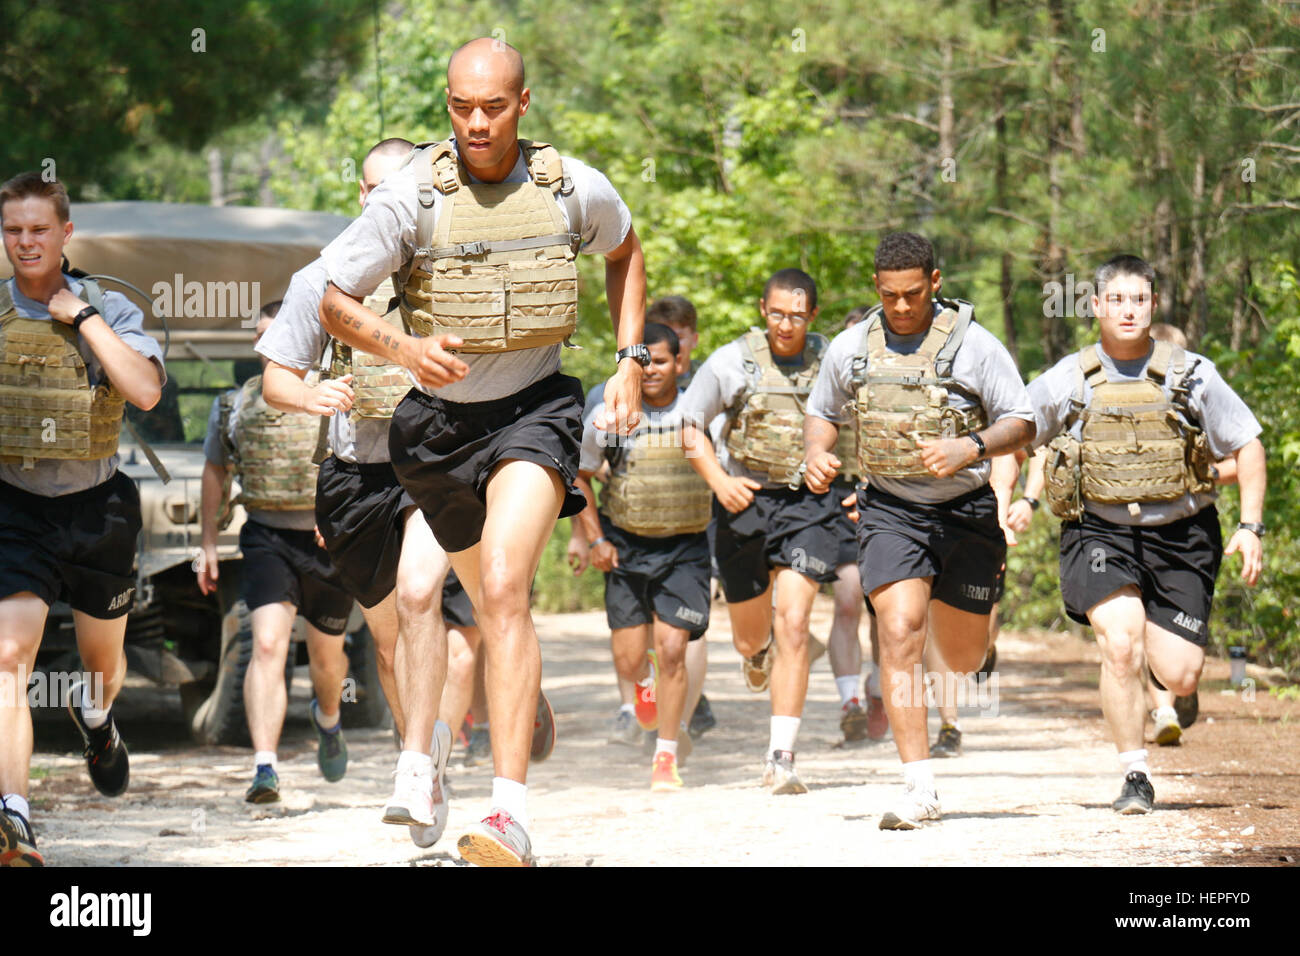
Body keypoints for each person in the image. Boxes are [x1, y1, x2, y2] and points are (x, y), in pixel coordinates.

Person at [318, 38, 645, 866]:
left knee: (501, 586)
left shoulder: (571, 189)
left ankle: (507, 813)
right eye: (461, 106)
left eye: (493, 106)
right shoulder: (409, 197)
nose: (475, 122)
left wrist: (630, 361)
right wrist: (401, 352)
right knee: (426, 593)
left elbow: (627, 249)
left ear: (523, 105)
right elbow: (331, 298)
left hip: (533, 411)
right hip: (435, 431)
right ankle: (429, 760)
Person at [256, 137, 459, 846]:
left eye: (396, 189)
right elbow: (276, 376)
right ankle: (424, 755)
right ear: (361, 197)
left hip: (433, 467)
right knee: (387, 635)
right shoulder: (323, 277)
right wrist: (310, 395)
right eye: (373, 190)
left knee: (420, 597)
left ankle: (420, 763)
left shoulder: (447, 265)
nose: (382, 201)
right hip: (354, 479)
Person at [804, 232, 1035, 830]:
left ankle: (967, 640)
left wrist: (971, 445)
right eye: (889, 295)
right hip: (890, 509)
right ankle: (919, 785)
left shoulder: (976, 347)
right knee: (900, 629)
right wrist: (816, 455)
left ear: (935, 281)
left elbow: (1024, 421)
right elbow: (822, 414)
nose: (901, 306)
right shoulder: (852, 348)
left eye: (912, 294)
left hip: (966, 511)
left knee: (961, 658)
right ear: (876, 289)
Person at [1027, 260, 1264, 813]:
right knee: (1120, 643)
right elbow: (1019, 425)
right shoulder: (1069, 376)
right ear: (1096, 306)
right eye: (1116, 300)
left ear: (1153, 304)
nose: (1127, 310)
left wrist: (1251, 526)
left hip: (1182, 533)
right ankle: (1135, 775)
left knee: (1179, 675)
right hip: (1099, 530)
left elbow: (1248, 444)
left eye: (1138, 300)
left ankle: (1176, 687)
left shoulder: (1192, 373)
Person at [0, 172, 165, 867]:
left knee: (102, 667)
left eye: (38, 229)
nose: (25, 242)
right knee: (9, 658)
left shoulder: (110, 305)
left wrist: (83, 319)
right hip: (14, 507)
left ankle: (96, 719)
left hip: (97, 508)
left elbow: (147, 392)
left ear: (65, 234)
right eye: (12, 231)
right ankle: (14, 818)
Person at [681, 267, 843, 795]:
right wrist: (718, 481)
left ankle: (782, 757)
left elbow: (864, 423)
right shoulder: (733, 360)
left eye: (797, 315)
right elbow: (689, 424)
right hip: (744, 499)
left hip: (809, 504)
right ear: (762, 308)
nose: (786, 324)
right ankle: (756, 655)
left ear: (813, 315)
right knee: (753, 635)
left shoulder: (834, 361)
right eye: (777, 313)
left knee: (794, 621)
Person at [198, 304, 354, 805]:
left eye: (275, 334)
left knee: (329, 660)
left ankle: (328, 719)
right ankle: (265, 765)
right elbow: (214, 472)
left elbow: (359, 463)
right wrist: (206, 545)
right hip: (265, 536)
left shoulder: (335, 393)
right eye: (260, 336)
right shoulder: (234, 405)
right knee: (266, 645)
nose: (265, 345)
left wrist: (339, 519)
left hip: (326, 543)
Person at [575, 323, 713, 790]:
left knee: (673, 649)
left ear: (681, 363)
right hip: (626, 548)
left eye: (661, 360)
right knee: (631, 661)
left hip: (686, 547)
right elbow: (580, 477)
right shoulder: (608, 415)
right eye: (643, 360)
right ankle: (644, 685)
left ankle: (666, 756)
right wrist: (594, 540)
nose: (651, 370)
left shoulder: (701, 414)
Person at [827, 305, 887, 742]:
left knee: (886, 610)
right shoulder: (826, 385)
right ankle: (850, 699)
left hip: (888, 499)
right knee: (848, 599)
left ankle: (880, 685)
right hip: (835, 500)